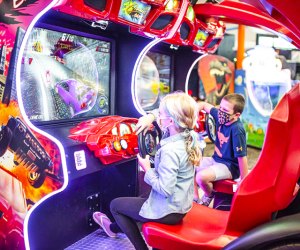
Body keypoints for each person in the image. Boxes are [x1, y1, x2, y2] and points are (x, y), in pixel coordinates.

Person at [93, 92, 202, 250]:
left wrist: (146, 168)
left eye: (162, 114)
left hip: (169, 212)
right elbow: (162, 114)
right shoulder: (185, 136)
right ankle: (114, 228)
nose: (159, 116)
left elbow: (165, 189)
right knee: (142, 199)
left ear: (170, 120)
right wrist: (149, 117)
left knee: (116, 205)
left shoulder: (171, 150)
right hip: (181, 205)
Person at [194, 93, 249, 206]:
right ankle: (195, 198)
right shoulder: (221, 116)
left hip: (229, 167)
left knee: (201, 177)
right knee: (189, 164)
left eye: (225, 110)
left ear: (236, 115)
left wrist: (244, 180)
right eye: (220, 107)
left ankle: (209, 194)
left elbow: (242, 157)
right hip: (216, 159)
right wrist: (193, 112)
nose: (220, 112)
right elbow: (204, 105)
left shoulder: (237, 130)